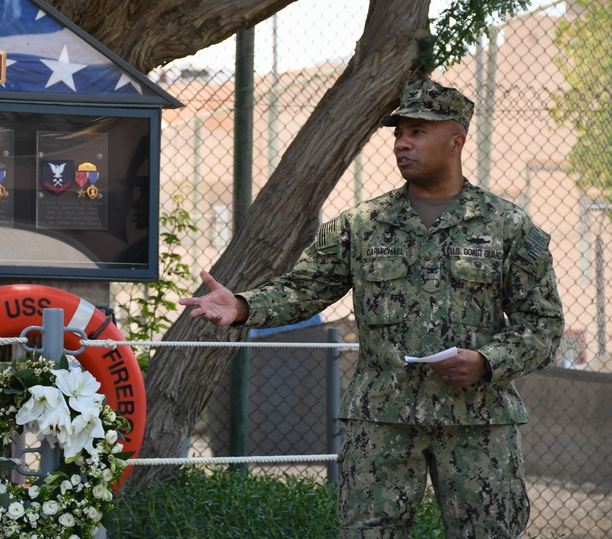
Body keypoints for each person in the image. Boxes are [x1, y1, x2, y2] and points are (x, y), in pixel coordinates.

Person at [180, 78, 563, 538]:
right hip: (381, 419)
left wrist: (486, 361)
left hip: (477, 420)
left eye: (418, 131)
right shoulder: (363, 225)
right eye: (399, 132)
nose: (403, 142)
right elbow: (305, 288)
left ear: (457, 139)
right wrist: (243, 306)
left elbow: (542, 326)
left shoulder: (508, 226)